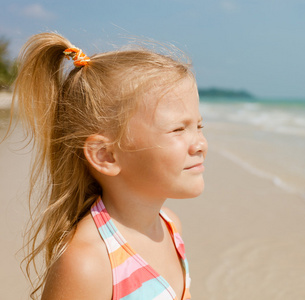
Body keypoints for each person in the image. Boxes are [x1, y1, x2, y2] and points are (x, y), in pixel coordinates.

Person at [9, 32, 207, 299]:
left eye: (199, 126)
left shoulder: (170, 225)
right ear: (106, 155)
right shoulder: (88, 263)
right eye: (177, 129)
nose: (200, 144)